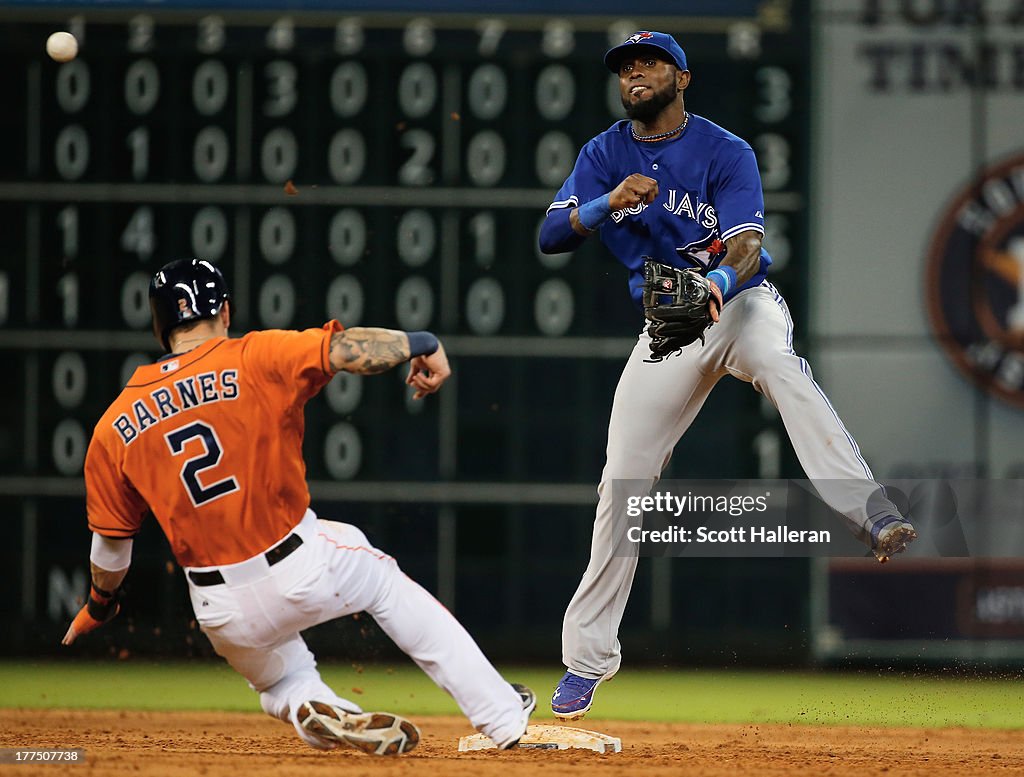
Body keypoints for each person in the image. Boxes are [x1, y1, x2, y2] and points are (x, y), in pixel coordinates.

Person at [538, 30, 917, 720]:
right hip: (669, 328)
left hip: (737, 304)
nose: (636, 75)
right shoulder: (603, 154)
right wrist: (604, 202)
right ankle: (585, 664)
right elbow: (551, 234)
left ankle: (869, 509)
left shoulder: (724, 149)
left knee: (778, 362)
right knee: (621, 482)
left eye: (650, 63)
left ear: (682, 78)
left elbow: (747, 244)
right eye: (626, 67)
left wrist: (715, 280)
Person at [61, 258, 535, 755]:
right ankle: (501, 715)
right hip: (299, 564)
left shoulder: (114, 426)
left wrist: (99, 605)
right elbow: (351, 351)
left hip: (218, 609)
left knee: (279, 680)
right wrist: (423, 342)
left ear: (159, 325)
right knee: (381, 578)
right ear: (225, 310)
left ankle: (312, 705)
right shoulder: (256, 355)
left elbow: (112, 551)